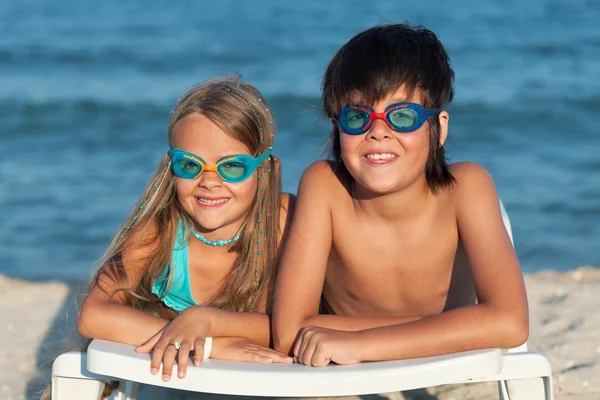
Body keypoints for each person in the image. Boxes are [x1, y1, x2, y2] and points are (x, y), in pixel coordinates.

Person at [272, 23, 529, 366]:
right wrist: (459, 327)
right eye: (358, 117)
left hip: (387, 352)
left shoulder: (466, 188)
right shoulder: (325, 187)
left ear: (439, 128)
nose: (378, 131)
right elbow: (289, 332)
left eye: (403, 116)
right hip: (434, 341)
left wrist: (363, 344)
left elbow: (511, 322)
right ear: (337, 128)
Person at [77, 77, 294, 384]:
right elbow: (92, 316)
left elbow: (276, 328)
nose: (209, 181)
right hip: (174, 375)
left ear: (264, 170)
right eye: (190, 165)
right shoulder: (163, 227)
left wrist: (201, 319)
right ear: (171, 166)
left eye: (232, 166)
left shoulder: (281, 224)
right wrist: (207, 345)